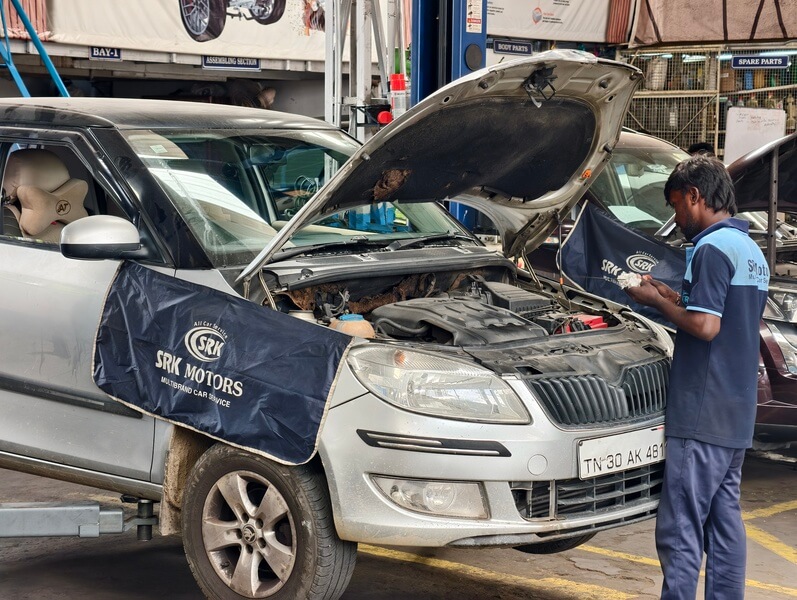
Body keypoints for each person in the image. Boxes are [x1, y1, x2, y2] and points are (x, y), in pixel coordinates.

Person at [625, 155, 769, 600]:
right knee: (724, 523)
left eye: (676, 205)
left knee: (680, 527)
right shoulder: (750, 250)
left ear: (695, 195)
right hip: (736, 409)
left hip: (702, 410)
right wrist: (668, 296)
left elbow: (706, 326)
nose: (676, 217)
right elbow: (721, 312)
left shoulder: (710, 248)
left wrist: (655, 303)